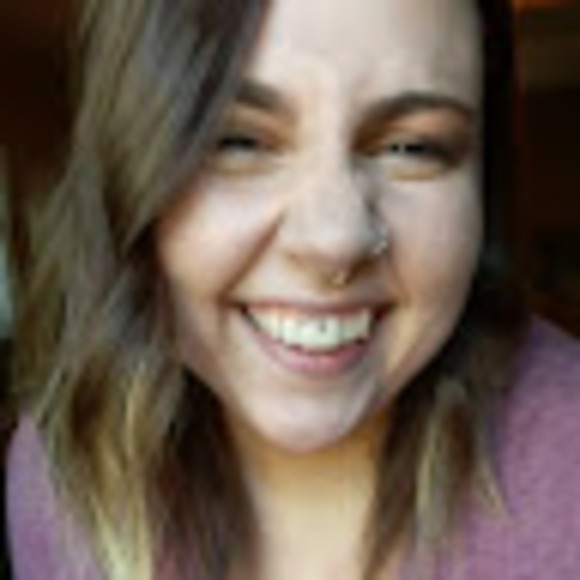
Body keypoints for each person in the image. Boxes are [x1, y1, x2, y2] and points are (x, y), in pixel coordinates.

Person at [4, 0, 580, 579]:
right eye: (238, 141)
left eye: (413, 147)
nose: (335, 239)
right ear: (123, 180)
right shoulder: (61, 477)